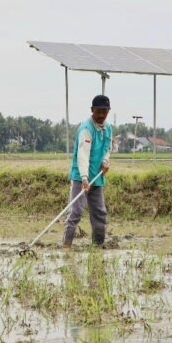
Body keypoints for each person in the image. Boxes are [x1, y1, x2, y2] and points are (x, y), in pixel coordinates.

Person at [63, 95, 113, 249]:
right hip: (81, 177)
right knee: (76, 211)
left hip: (97, 177)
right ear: (92, 110)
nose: (101, 115)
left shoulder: (108, 128)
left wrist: (105, 161)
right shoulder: (86, 129)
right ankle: (66, 246)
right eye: (98, 111)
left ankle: (98, 246)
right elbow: (83, 155)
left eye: (105, 112)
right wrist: (84, 178)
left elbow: (107, 148)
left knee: (100, 213)